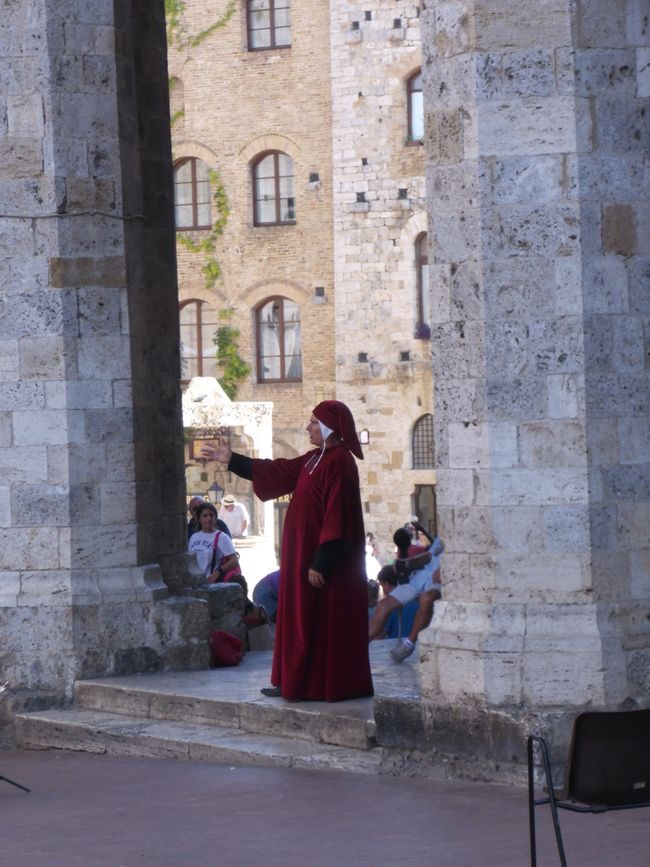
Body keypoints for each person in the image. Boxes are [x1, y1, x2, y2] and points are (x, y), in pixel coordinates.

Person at [201, 400, 373, 703]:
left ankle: (313, 684)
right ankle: (294, 680)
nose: (307, 427)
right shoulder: (313, 459)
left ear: (329, 427)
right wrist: (232, 459)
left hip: (319, 564)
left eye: (312, 423)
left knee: (316, 622)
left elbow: (338, 516)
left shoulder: (340, 463)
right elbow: (277, 470)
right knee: (297, 619)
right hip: (299, 558)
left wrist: (322, 563)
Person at [368, 523, 444, 662]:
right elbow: (428, 556)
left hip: (436, 581)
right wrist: (411, 562)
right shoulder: (441, 539)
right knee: (383, 606)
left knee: (426, 599)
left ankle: (408, 644)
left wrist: (443, 569)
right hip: (418, 578)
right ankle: (361, 643)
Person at [188, 501, 239, 583]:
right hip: (195, 582)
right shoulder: (194, 537)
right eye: (205, 516)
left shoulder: (222, 537)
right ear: (199, 518)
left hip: (211, 582)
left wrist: (219, 572)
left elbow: (234, 560)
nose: (209, 518)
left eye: (212, 515)